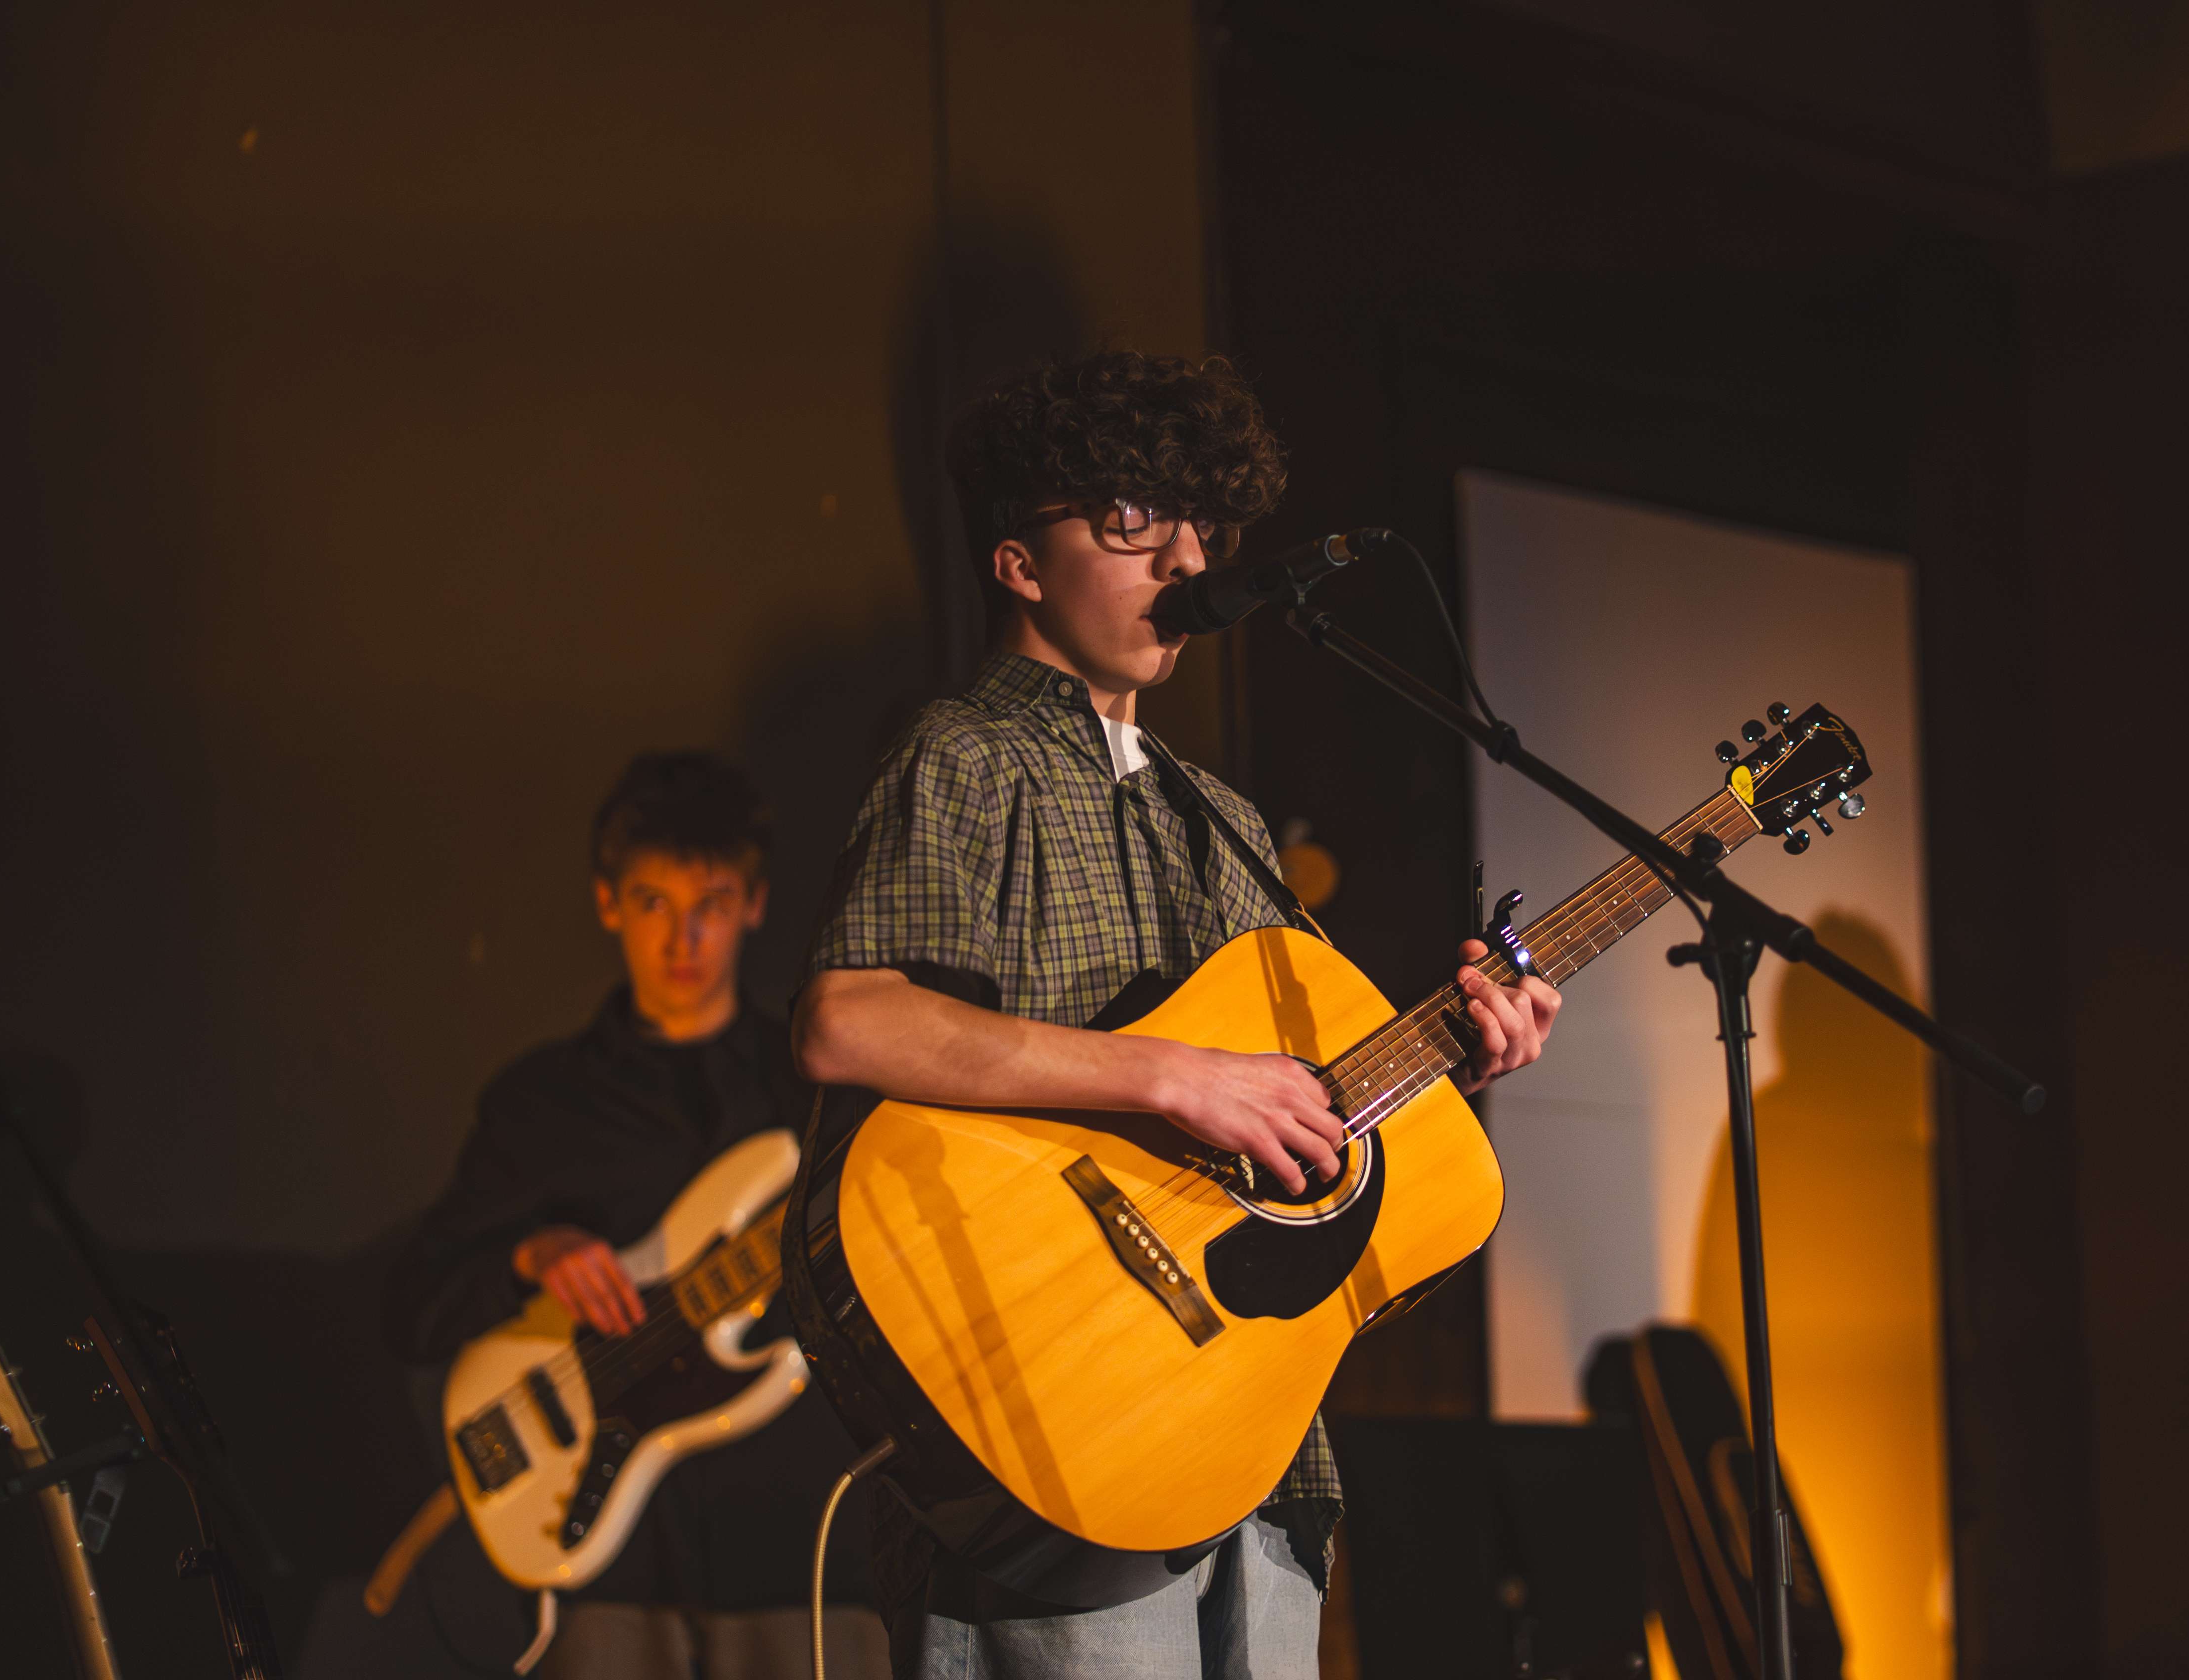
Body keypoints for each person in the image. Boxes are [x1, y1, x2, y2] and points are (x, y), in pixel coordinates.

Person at [795, 349, 1561, 1679]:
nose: (1188, 558)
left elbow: (1303, 1113)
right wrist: (1167, 1074)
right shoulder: (965, 754)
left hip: (1248, 1439)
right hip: (1056, 1422)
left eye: (1200, 522)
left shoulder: (1225, 817)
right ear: (1020, 563)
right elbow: (849, 1022)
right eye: (1132, 519)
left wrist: (1461, 1047)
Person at [384, 751, 887, 1680]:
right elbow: (412, 1307)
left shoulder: (816, 1090)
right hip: (612, 1579)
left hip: (799, 1555)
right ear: (609, 903)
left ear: (754, 905)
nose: (683, 939)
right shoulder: (541, 1104)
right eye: (655, 903)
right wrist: (533, 1255)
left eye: (711, 905)